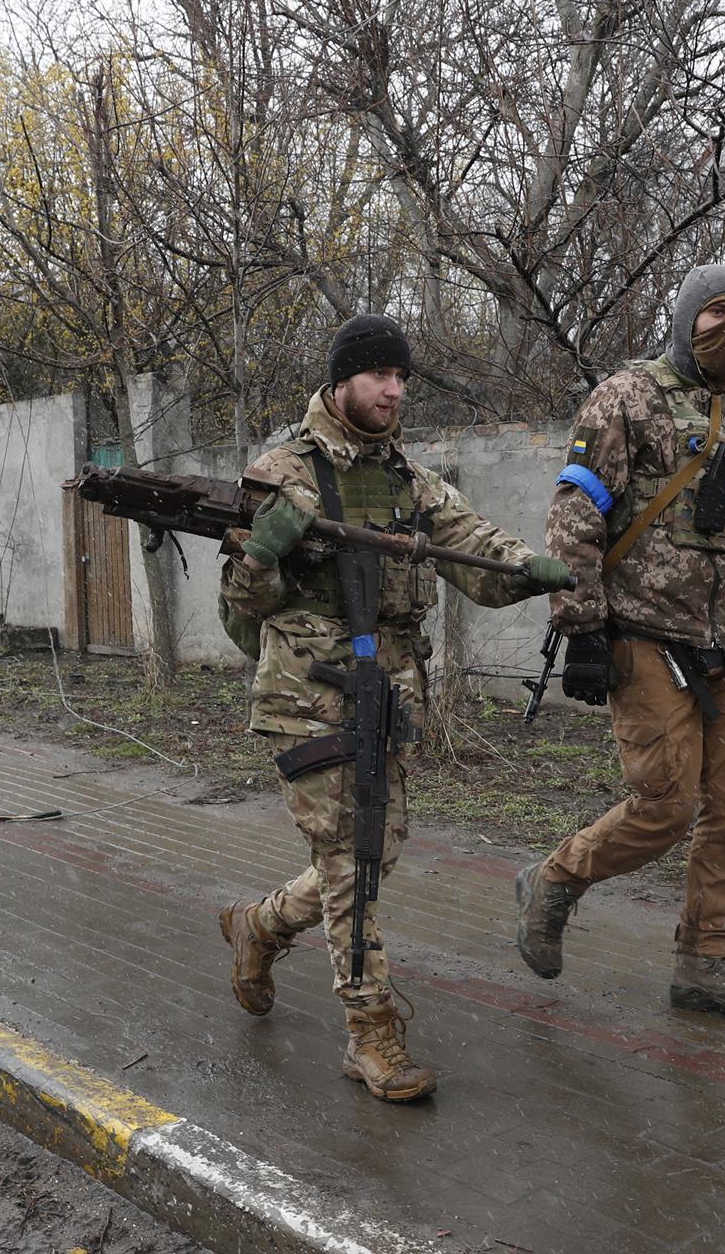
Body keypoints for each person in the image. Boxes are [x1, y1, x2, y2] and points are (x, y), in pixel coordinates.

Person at [217, 313, 574, 1101]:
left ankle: (261, 924)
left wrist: (531, 569)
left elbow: (475, 549)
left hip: (385, 697)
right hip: (308, 701)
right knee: (353, 861)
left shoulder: (412, 483)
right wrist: (265, 550)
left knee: (370, 855)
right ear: (342, 379)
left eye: (403, 377)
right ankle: (370, 1031)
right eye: (380, 374)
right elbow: (240, 615)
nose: (394, 390)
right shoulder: (283, 473)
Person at [515, 263, 725, 1027]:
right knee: (667, 804)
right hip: (642, 633)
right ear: (685, 318)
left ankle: (702, 963)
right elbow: (576, 514)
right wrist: (584, 628)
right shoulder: (627, 396)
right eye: (714, 312)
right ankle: (556, 879)